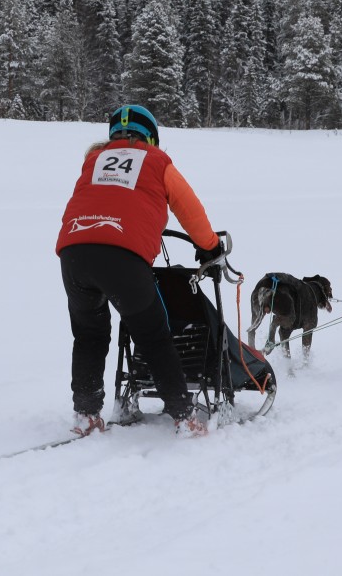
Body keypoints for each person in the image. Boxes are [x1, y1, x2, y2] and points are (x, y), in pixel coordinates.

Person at [55, 104, 224, 438]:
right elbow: (188, 208)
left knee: (89, 336)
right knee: (153, 336)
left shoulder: (93, 161)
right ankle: (184, 416)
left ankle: (86, 415)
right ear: (151, 138)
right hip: (122, 257)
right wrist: (209, 245)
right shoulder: (157, 161)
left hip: (73, 253)